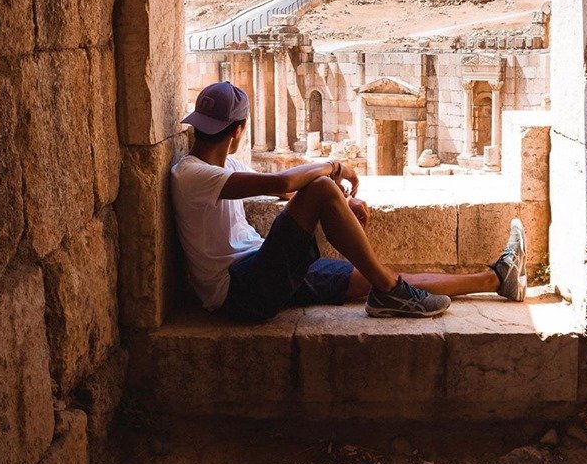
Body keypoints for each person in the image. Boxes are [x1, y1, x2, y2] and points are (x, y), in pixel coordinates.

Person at [171, 81, 528, 322]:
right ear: (238, 131)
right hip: (238, 290)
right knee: (325, 188)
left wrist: (340, 202)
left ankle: (496, 278)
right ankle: (391, 294)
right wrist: (335, 168)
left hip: (260, 270)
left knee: (376, 277)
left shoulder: (226, 165)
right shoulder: (191, 174)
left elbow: (286, 193)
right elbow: (283, 180)